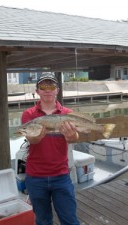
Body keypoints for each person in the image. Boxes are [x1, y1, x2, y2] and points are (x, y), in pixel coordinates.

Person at [22, 73, 80, 225]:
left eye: (51, 86)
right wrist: (38, 136)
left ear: (57, 90)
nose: (47, 90)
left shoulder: (68, 114)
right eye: (43, 86)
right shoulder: (28, 114)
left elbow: (74, 139)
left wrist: (71, 135)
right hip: (35, 177)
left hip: (61, 175)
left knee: (70, 219)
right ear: (38, 91)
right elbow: (31, 139)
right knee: (43, 220)